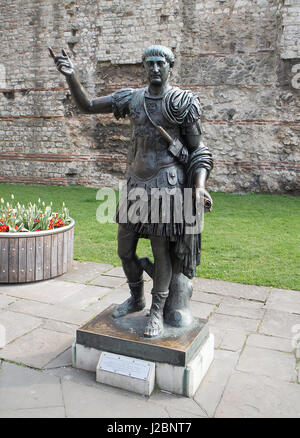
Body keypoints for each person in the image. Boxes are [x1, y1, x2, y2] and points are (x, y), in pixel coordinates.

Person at [50, 45, 213, 337]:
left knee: (161, 251)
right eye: (149, 63)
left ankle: (156, 310)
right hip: (136, 183)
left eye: (160, 63)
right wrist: (72, 77)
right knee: (124, 250)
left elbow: (199, 150)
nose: (154, 68)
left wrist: (199, 187)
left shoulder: (182, 101)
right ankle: (136, 296)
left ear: (169, 66)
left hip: (167, 183)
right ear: (143, 66)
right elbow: (87, 105)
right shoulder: (133, 99)